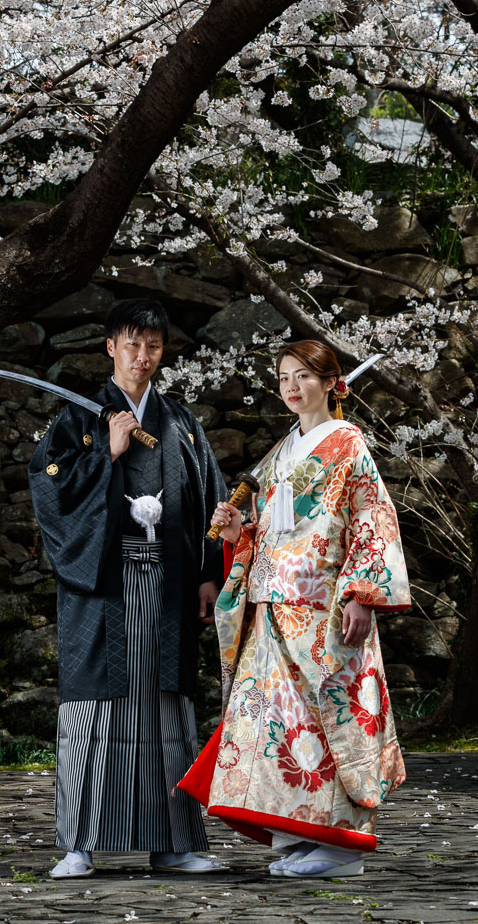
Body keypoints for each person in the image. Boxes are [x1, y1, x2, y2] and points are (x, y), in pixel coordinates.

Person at [178, 339, 409, 880]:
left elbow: (372, 519)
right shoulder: (282, 451)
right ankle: (298, 834)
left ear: (332, 383)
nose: (290, 385)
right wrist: (240, 532)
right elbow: (270, 527)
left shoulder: (349, 445)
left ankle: (343, 845)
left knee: (332, 719)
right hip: (274, 607)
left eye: (303, 375)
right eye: (283, 376)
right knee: (282, 725)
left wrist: (361, 595)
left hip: (326, 608)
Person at [29, 298, 226, 879]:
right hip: (103, 586)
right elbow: (49, 491)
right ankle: (79, 846)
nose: (143, 356)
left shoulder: (181, 423)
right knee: (95, 709)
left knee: (168, 709)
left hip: (169, 585)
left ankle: (174, 843)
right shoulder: (75, 420)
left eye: (154, 346)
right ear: (110, 347)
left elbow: (208, 501)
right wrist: (106, 455)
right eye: (132, 344)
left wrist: (209, 573)